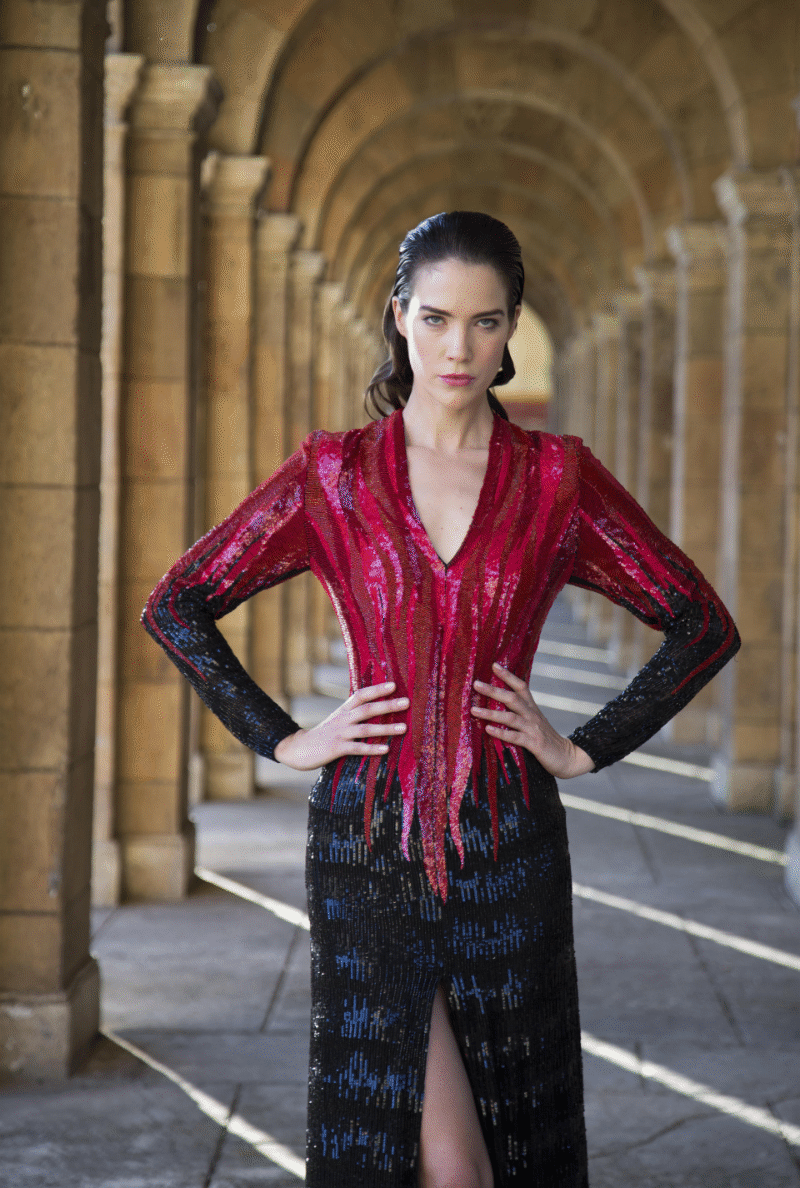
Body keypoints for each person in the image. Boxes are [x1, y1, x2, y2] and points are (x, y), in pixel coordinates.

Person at [142, 211, 739, 1188]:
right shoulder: (333, 475)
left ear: (510, 330)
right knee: (442, 1164)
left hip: (509, 854)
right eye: (435, 318)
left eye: (484, 322)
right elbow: (178, 604)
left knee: (508, 1142)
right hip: (367, 850)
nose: (457, 347)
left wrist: (581, 746)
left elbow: (699, 622)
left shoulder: (557, 481)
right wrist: (284, 738)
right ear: (398, 317)